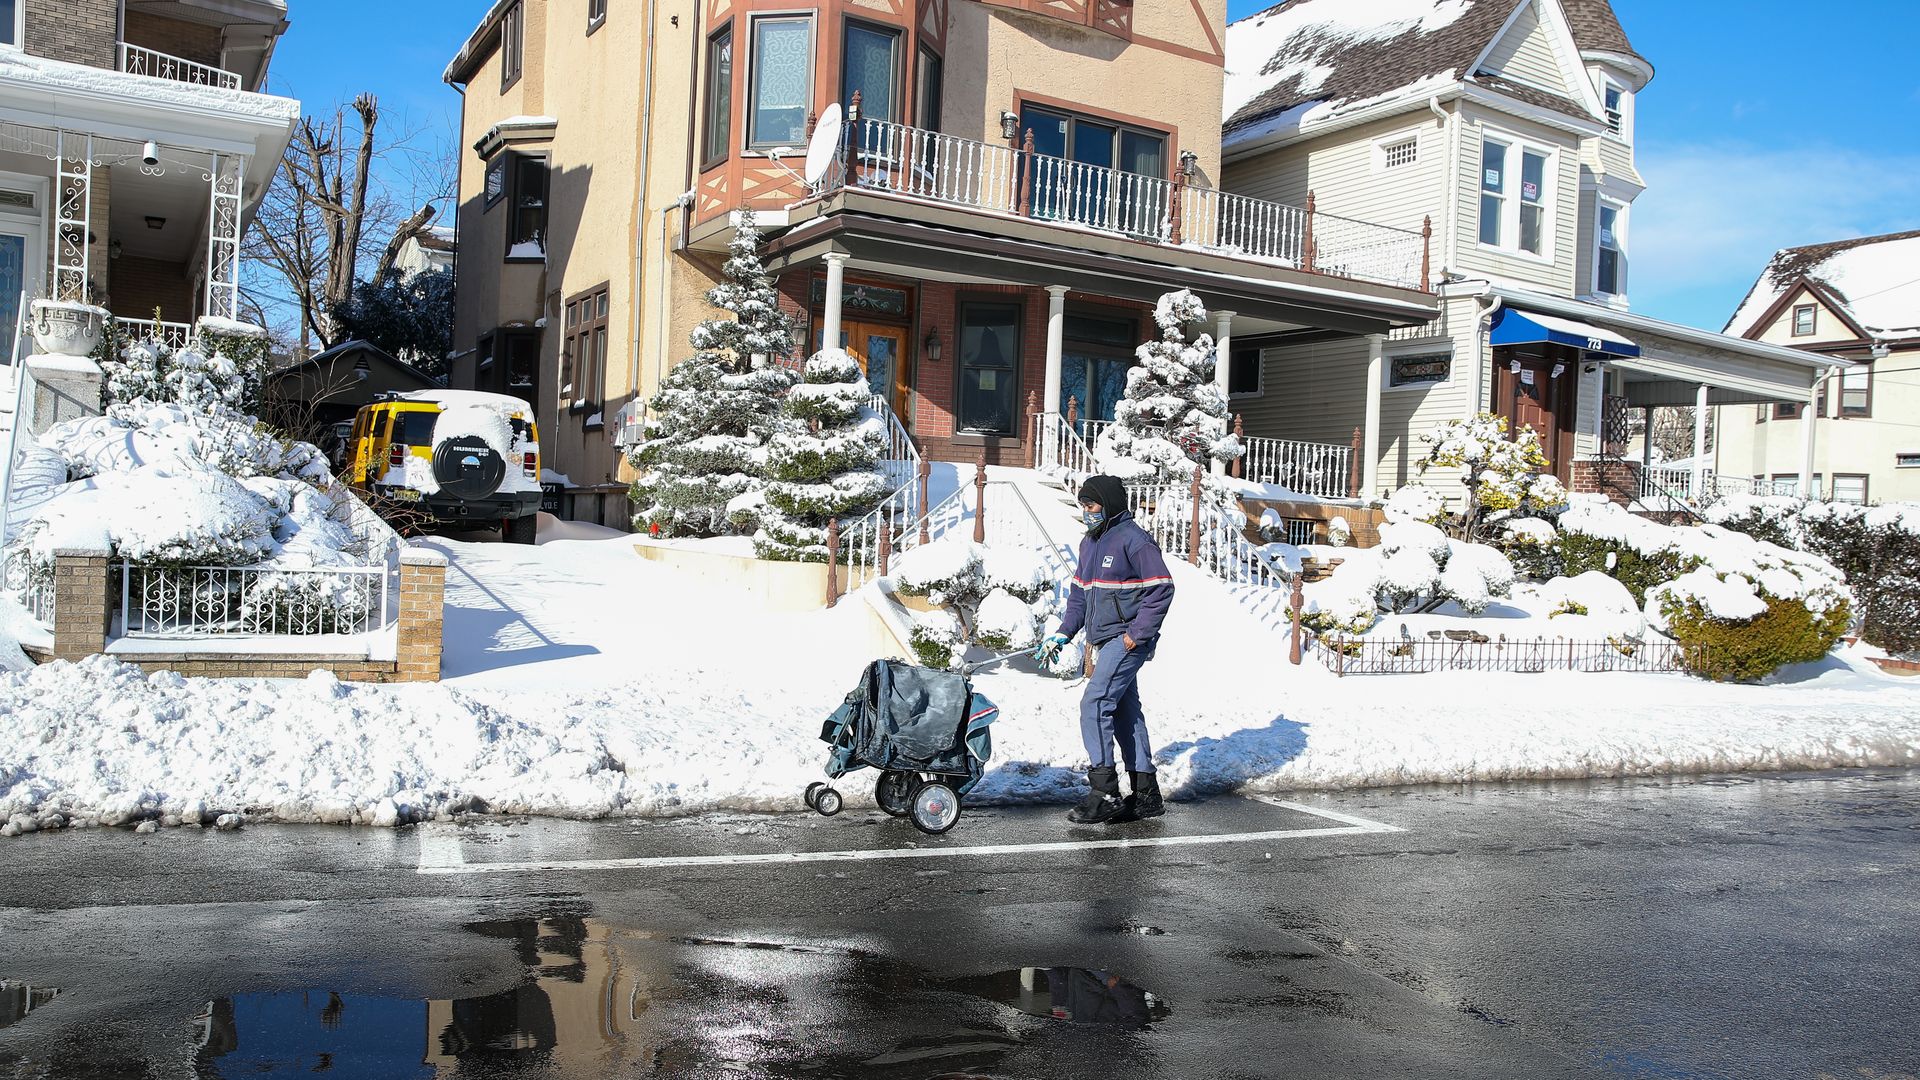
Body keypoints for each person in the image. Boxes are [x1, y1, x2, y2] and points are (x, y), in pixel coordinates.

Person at [1035, 474, 1174, 824]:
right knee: (1126, 711)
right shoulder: (1090, 543)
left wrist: (1136, 635)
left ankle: (1104, 791)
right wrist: (1063, 632)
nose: (1086, 512)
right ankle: (1146, 794)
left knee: (1095, 703)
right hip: (1103, 638)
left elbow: (1162, 588)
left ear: (1108, 505)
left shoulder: (1135, 541)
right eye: (1083, 505)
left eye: (1091, 505)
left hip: (1125, 638)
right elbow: (1080, 594)